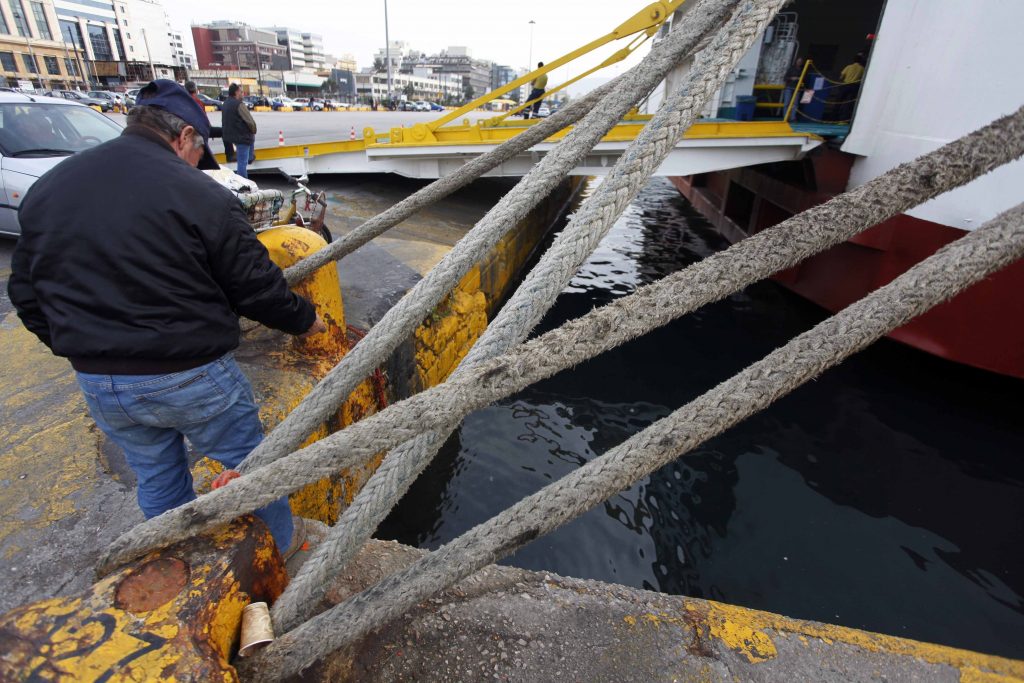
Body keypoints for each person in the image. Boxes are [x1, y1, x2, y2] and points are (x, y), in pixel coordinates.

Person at [7, 79, 325, 558]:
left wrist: (81, 347)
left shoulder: (49, 187)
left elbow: (26, 294)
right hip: (190, 373)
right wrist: (307, 322)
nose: (200, 165)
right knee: (251, 473)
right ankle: (276, 565)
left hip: (100, 380)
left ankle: (174, 561)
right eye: (200, 153)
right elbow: (255, 286)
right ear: (185, 138)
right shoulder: (198, 193)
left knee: (156, 476)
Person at [185, 79, 233, 163]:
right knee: (225, 131)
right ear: (196, 90)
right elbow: (203, 117)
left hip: (190, 130)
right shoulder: (197, 102)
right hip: (201, 129)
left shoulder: (183, 102)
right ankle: (230, 155)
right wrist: (209, 127)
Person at [222, 83, 257, 178]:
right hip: (241, 137)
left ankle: (250, 157)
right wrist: (254, 130)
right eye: (241, 92)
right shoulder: (239, 105)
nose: (243, 94)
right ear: (236, 92)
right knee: (242, 164)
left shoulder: (225, 103)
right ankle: (243, 184)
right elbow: (250, 122)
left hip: (229, 137)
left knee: (242, 160)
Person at [836, 52, 866, 122]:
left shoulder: (848, 67)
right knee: (849, 103)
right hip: (854, 87)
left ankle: (834, 117)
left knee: (839, 101)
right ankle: (844, 119)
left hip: (845, 85)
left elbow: (841, 77)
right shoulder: (862, 69)